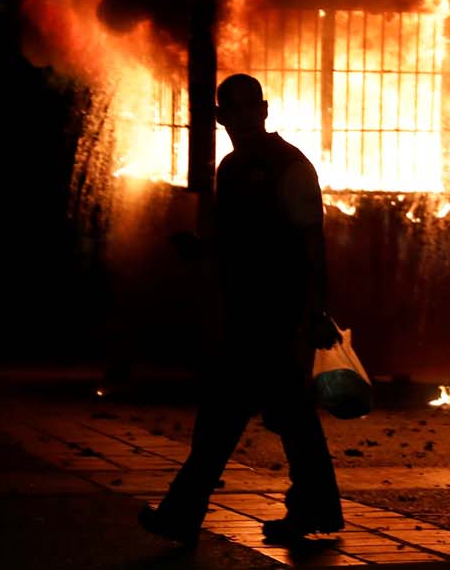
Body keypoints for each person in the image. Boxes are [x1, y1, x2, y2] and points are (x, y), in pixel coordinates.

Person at [140, 74, 343, 545]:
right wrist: (204, 252)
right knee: (283, 416)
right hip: (250, 313)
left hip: (274, 315)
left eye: (251, 107)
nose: (246, 117)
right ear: (222, 116)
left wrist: (315, 309)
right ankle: (311, 507)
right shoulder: (233, 168)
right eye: (236, 109)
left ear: (265, 109)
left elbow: (312, 240)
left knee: (228, 417)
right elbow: (240, 241)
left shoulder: (288, 165)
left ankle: (183, 511)